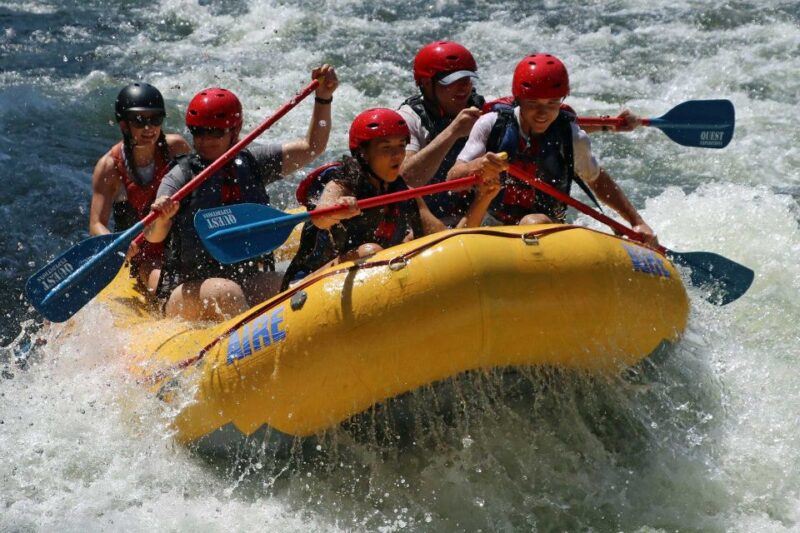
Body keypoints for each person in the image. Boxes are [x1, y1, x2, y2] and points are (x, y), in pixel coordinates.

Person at [145, 65, 338, 321]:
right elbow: (153, 236)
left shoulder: (253, 163)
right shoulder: (180, 176)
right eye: (198, 131)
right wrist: (162, 216)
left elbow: (312, 147)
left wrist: (323, 98)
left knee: (292, 285)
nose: (205, 140)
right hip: (187, 290)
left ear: (235, 131)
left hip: (241, 278)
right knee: (227, 292)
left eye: (215, 132)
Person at [447, 53, 657, 244]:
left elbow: (597, 180)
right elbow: (452, 180)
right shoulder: (492, 124)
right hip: (489, 221)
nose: (542, 113)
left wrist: (636, 222)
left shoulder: (572, 136)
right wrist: (478, 166)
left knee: (533, 222)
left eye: (552, 103)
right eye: (533, 103)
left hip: (543, 226)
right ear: (518, 99)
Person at [282, 108, 497, 289]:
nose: (397, 155)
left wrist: (483, 198)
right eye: (386, 148)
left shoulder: (404, 192)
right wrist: (338, 210)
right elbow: (320, 218)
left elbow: (446, 242)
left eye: (401, 146)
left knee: (412, 242)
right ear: (363, 153)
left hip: (370, 280)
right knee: (371, 251)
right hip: (305, 285)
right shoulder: (343, 184)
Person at [89, 83, 191, 293]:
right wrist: (117, 245)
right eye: (139, 121)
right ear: (124, 125)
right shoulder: (109, 167)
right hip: (143, 256)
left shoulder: (177, 148)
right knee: (166, 287)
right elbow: (96, 223)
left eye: (155, 119)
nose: (148, 128)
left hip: (180, 244)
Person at [397, 41, 485, 227]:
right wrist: (453, 132)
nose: (464, 87)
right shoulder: (408, 118)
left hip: (472, 216)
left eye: (467, 79)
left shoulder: (485, 111)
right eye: (452, 81)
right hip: (424, 223)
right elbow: (405, 181)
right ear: (426, 83)